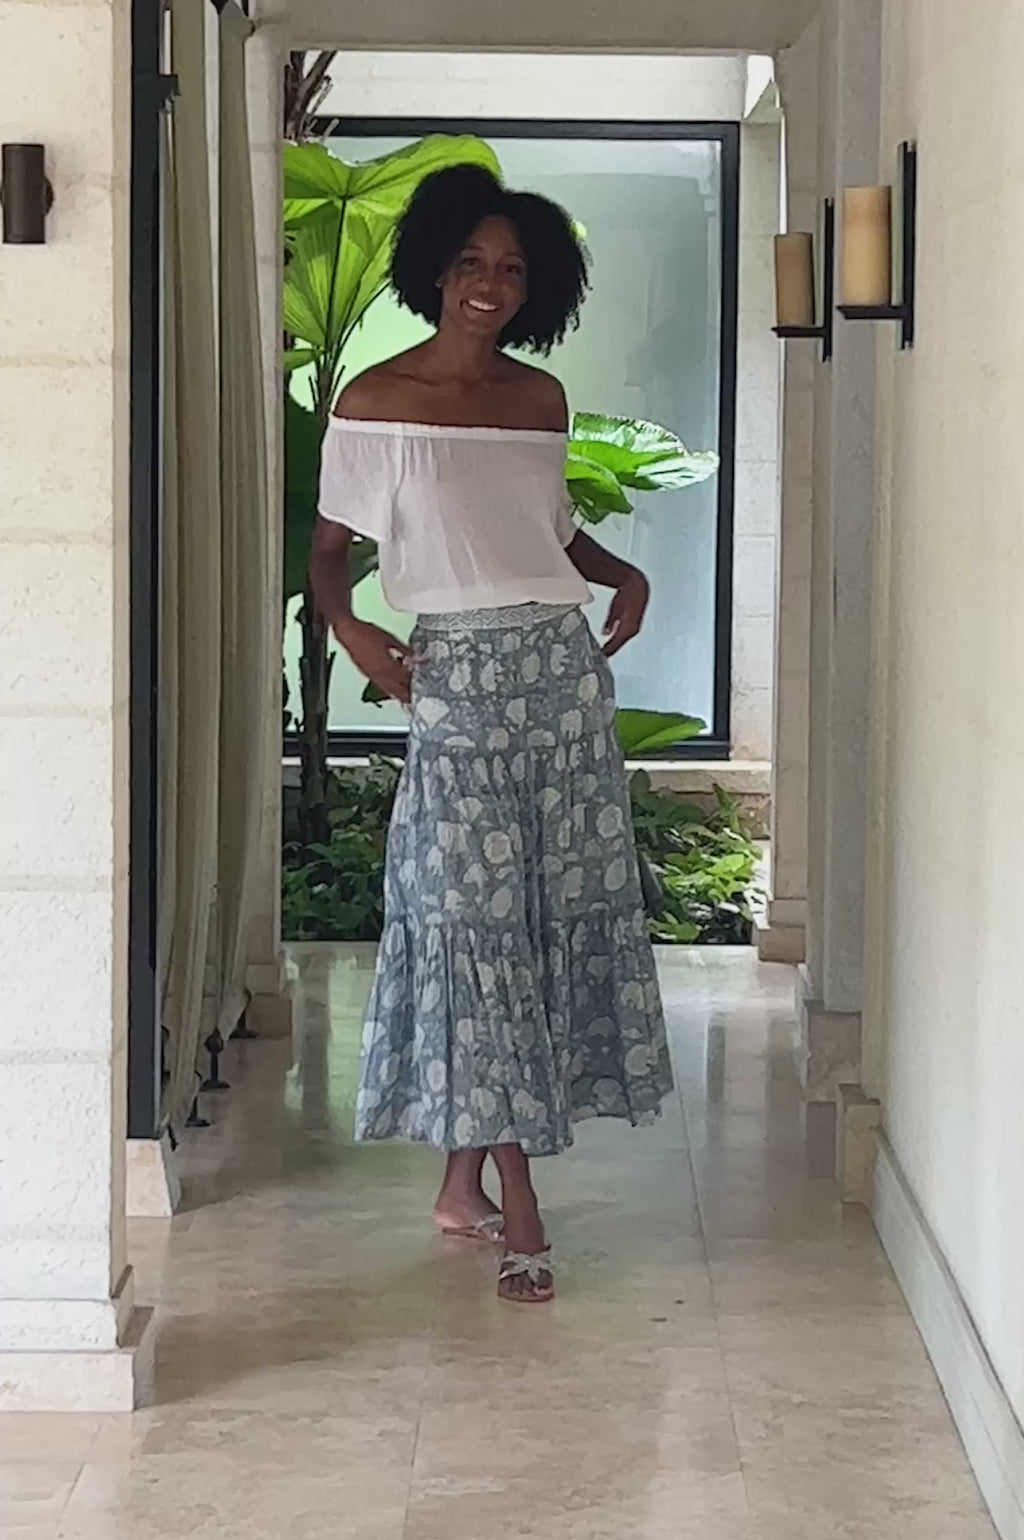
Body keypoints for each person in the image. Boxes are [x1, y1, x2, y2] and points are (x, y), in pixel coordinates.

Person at [310, 164, 671, 1304]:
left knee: (537, 926)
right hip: (457, 682)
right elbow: (328, 553)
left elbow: (546, 534)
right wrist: (357, 635)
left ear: (537, 286)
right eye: (470, 261)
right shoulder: (375, 400)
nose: (490, 283)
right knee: (478, 927)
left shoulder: (539, 400)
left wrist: (625, 574)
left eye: (512, 268)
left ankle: (459, 1186)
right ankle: (521, 1200)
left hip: (561, 682)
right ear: (434, 268)